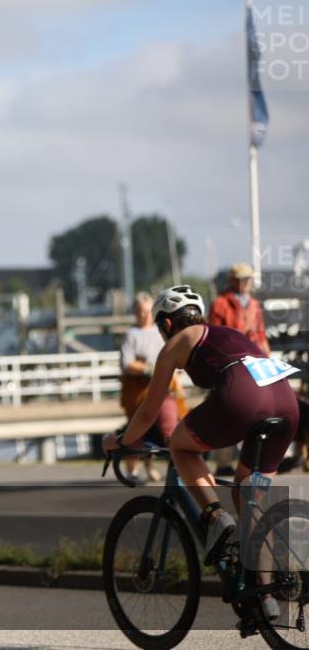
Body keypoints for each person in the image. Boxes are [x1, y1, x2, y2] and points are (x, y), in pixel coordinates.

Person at [104, 285, 299, 619]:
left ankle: (213, 517)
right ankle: (264, 594)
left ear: (166, 325)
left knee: (178, 443)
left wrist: (122, 441)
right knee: (248, 495)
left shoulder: (177, 343)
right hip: (285, 403)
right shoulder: (227, 332)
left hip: (244, 397)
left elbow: (149, 412)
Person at [209, 262, 271, 476]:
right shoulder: (220, 304)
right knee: (226, 411)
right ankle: (223, 461)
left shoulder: (254, 304)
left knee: (256, 412)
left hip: (255, 362)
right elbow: (218, 335)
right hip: (232, 363)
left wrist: (267, 357)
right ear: (233, 280)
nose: (247, 283)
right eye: (243, 279)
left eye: (249, 279)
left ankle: (253, 460)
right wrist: (241, 335)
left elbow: (261, 333)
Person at [118, 292, 185, 483]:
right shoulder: (131, 335)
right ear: (135, 313)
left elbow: (172, 359)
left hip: (164, 388)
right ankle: (133, 470)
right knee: (136, 430)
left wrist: (176, 381)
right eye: (140, 311)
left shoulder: (160, 332)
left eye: (148, 311)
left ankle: (179, 466)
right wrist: (149, 368)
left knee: (169, 427)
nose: (144, 315)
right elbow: (127, 364)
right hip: (138, 391)